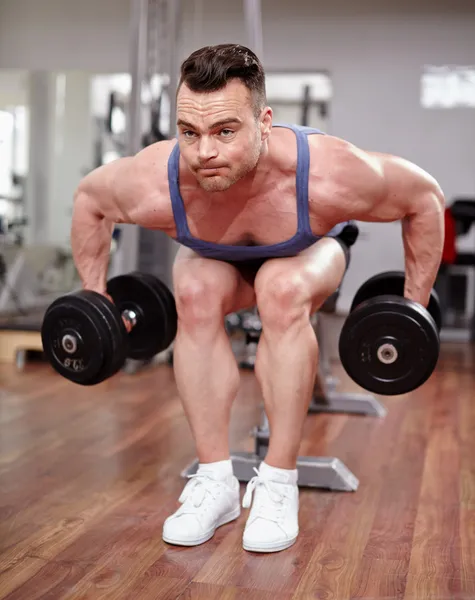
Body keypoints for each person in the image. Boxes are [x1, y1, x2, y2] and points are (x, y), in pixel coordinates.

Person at [71, 44, 445, 553]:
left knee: (281, 289)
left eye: (225, 130)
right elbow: (90, 201)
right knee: (194, 290)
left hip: (308, 252)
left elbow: (423, 198)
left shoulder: (326, 174)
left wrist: (414, 309)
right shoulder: (158, 181)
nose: (204, 152)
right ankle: (216, 481)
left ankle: (277, 483)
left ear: (264, 122)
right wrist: (96, 304)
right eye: (189, 133)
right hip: (215, 261)